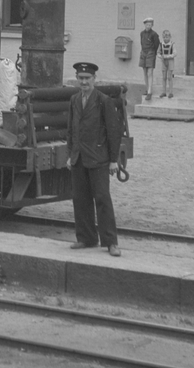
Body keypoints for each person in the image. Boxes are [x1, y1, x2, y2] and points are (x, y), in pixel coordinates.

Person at [67, 61, 124, 256]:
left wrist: (114, 160)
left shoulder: (104, 101)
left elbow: (114, 132)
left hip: (98, 158)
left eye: (87, 79)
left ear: (94, 79)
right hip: (79, 158)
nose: (84, 82)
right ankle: (86, 238)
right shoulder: (74, 100)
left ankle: (110, 242)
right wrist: (70, 154)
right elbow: (70, 130)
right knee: (80, 199)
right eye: (81, 78)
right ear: (77, 79)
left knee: (102, 199)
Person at [138, 17, 160, 101]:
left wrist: (152, 53)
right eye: (147, 24)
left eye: (150, 25)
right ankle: (147, 89)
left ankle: (150, 92)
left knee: (150, 72)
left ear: (152, 25)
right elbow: (141, 43)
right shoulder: (142, 33)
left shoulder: (154, 34)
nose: (148, 26)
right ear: (144, 25)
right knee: (144, 72)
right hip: (143, 52)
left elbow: (156, 44)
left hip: (151, 53)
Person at [159, 29, 176, 98]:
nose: (166, 38)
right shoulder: (161, 44)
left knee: (169, 77)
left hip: (170, 61)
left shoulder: (172, 44)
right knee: (164, 77)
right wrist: (161, 56)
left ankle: (171, 92)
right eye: (165, 37)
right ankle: (164, 92)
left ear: (170, 37)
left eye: (167, 37)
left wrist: (168, 56)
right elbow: (158, 53)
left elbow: (175, 53)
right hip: (163, 62)